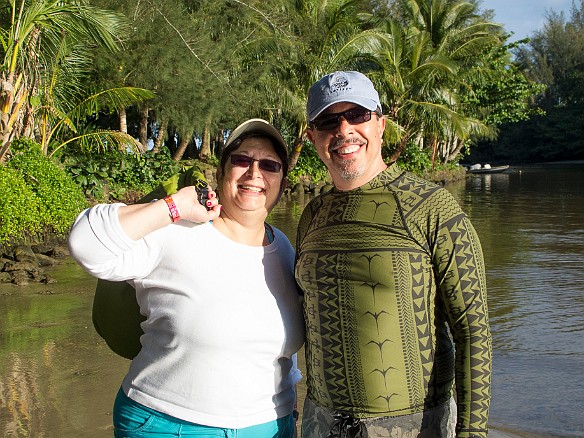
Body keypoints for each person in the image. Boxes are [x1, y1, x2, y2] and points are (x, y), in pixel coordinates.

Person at [68, 119, 305, 437]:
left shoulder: (286, 250)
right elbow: (86, 244)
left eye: (269, 165)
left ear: (283, 182)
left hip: (270, 425)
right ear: (221, 173)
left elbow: (275, 351)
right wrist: (173, 206)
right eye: (242, 160)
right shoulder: (175, 232)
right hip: (168, 424)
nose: (254, 173)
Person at [295, 71, 492, 438]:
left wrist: (473, 432)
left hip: (413, 427)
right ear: (313, 137)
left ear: (381, 125)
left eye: (357, 115)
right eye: (327, 120)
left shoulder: (434, 209)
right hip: (319, 424)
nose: (343, 130)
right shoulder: (311, 217)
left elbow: (473, 331)